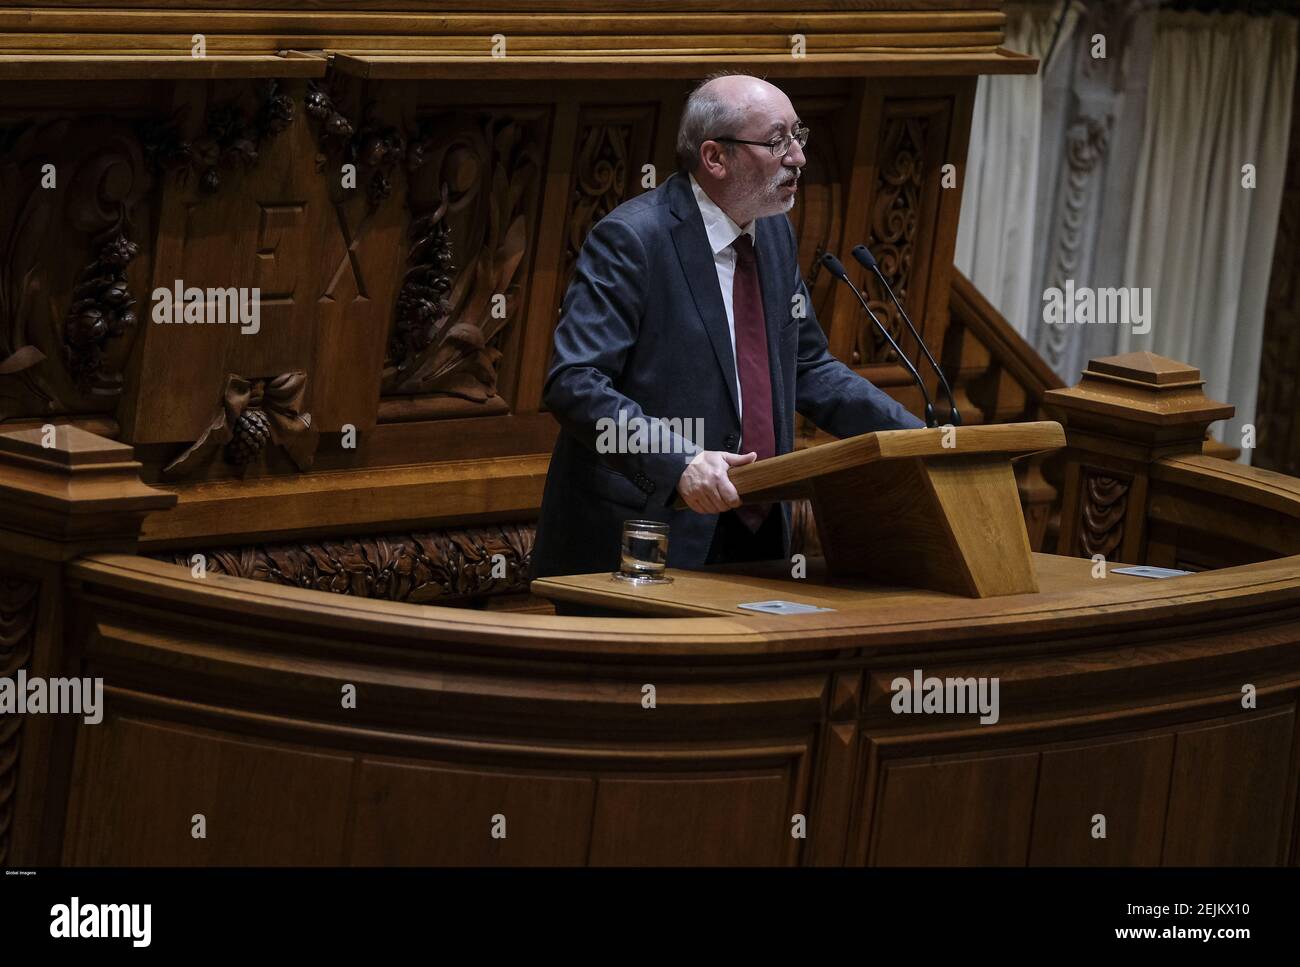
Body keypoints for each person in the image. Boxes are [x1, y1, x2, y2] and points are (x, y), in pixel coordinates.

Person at [531, 72, 923, 580]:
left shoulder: (774, 233)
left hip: (757, 523)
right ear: (715, 158)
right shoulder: (633, 240)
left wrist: (919, 440)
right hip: (649, 530)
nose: (798, 157)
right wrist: (678, 462)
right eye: (777, 141)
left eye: (798, 136)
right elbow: (574, 384)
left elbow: (807, 367)